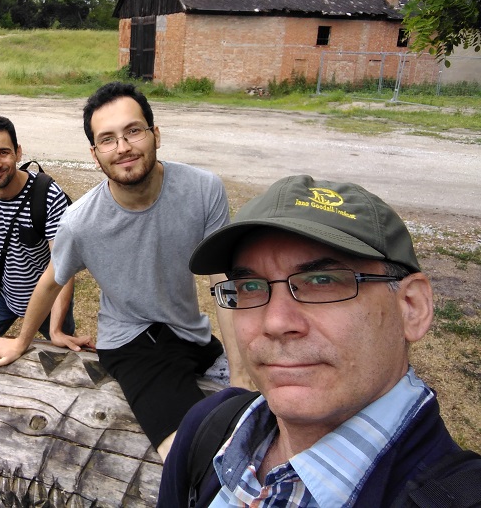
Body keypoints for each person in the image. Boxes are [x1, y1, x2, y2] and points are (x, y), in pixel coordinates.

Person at [158, 174, 477, 506]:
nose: (276, 322)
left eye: (322, 281)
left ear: (411, 307)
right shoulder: (207, 429)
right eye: (250, 287)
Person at [0, 82, 246, 461]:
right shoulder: (80, 222)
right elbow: (51, 281)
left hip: (189, 331)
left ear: (156, 134)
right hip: (130, 341)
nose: (123, 147)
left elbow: (224, 283)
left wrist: (242, 373)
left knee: (255, 409)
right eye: (107, 139)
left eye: (133, 131)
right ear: (95, 153)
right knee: (193, 454)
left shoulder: (203, 190)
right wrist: (21, 341)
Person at [0, 114, 77, 343]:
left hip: (49, 296)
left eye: (3, 152)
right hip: (2, 293)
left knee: (64, 355)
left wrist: (57, 330)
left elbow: (63, 266)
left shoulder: (48, 195)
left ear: (18, 152)